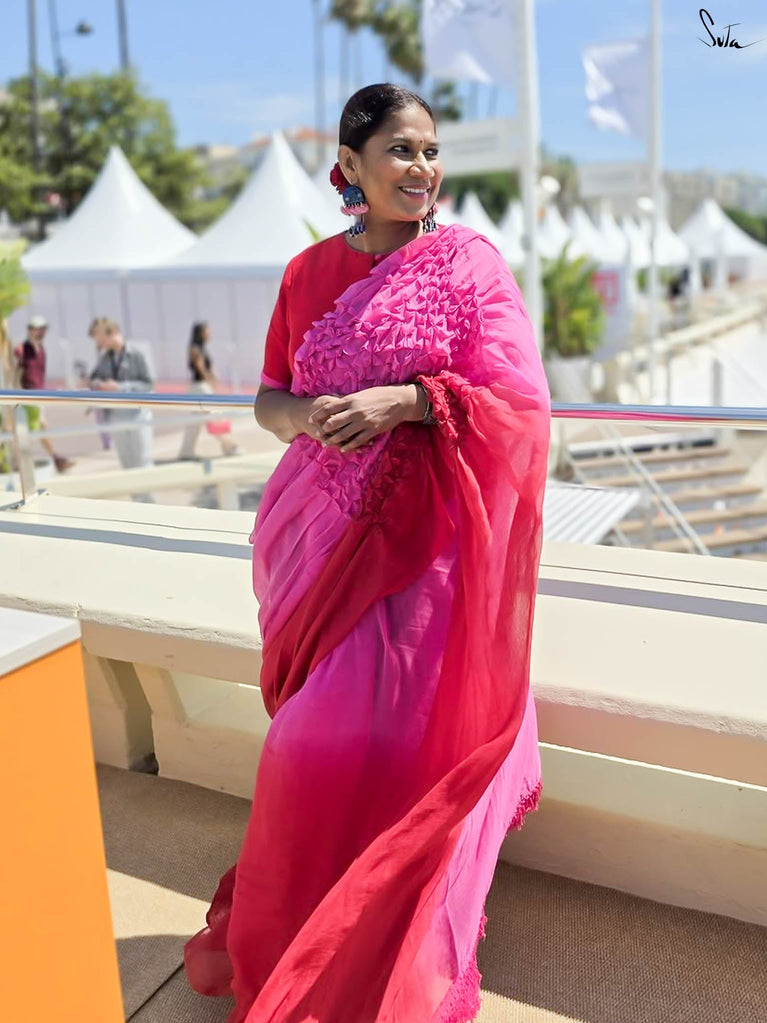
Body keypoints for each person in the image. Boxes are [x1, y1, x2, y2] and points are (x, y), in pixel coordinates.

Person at [184, 84, 551, 1023]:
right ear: (349, 164)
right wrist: (309, 417)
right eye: (399, 150)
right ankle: (301, 941)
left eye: (429, 150)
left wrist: (410, 401)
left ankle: (393, 946)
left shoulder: (468, 264)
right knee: (304, 745)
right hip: (316, 540)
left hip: (427, 551)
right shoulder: (306, 272)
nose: (421, 167)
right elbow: (268, 399)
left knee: (404, 750)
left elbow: (520, 402)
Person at [84, 317, 154, 496]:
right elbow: (93, 379)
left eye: (100, 338)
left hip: (138, 417)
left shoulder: (136, 354)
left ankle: (150, 507)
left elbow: (148, 384)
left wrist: (120, 387)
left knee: (144, 465)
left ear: (113, 333)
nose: (99, 343)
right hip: (116, 417)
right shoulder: (104, 358)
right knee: (127, 467)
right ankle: (137, 507)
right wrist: (100, 385)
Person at [14, 315, 74, 472]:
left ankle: (51, 460)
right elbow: (14, 371)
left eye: (43, 329)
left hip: (38, 395)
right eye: (37, 329)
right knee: (35, 428)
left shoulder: (41, 349)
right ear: (30, 330)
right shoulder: (21, 349)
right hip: (26, 396)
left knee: (36, 428)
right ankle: (53, 459)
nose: (40, 332)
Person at [178, 321, 241, 459]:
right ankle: (230, 446)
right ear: (201, 332)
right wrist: (212, 381)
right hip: (200, 388)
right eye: (207, 331)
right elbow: (202, 369)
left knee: (195, 423)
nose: (210, 333)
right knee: (214, 417)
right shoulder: (195, 349)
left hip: (200, 388)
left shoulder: (202, 349)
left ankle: (186, 451)